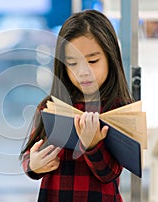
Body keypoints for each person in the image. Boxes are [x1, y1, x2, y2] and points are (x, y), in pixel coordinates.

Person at [20, 10, 134, 202]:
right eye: (72, 63)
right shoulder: (50, 106)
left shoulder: (118, 109)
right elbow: (29, 156)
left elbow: (110, 174)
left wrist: (92, 145)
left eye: (93, 61)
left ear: (111, 57)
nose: (83, 72)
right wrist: (34, 164)